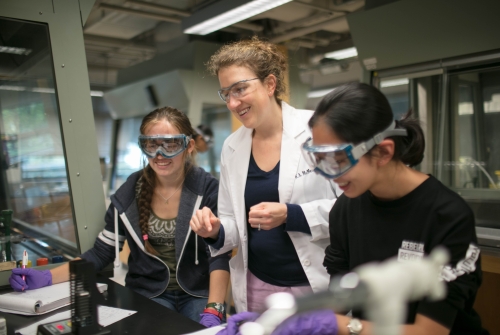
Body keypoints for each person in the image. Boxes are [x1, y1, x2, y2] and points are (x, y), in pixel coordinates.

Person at [221, 82, 488, 335]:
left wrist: (338, 325)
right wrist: (276, 322)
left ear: (383, 152)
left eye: (337, 159)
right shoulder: (346, 209)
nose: (329, 175)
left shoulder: (447, 216)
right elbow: (339, 299)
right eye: (319, 159)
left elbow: (429, 331)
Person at [9, 107, 231, 327]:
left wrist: (215, 309)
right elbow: (101, 252)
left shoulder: (207, 189)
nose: (160, 154)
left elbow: (219, 254)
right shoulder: (129, 193)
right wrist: (46, 277)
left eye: (170, 144)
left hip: (198, 293)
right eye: (151, 145)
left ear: (189, 145)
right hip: (149, 292)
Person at [190, 37, 340, 313]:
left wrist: (291, 214)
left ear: (270, 84)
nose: (233, 103)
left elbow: (352, 209)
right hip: (257, 284)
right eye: (226, 93)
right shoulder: (232, 147)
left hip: (313, 282)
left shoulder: (317, 128)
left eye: (240, 89)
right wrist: (216, 231)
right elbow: (232, 223)